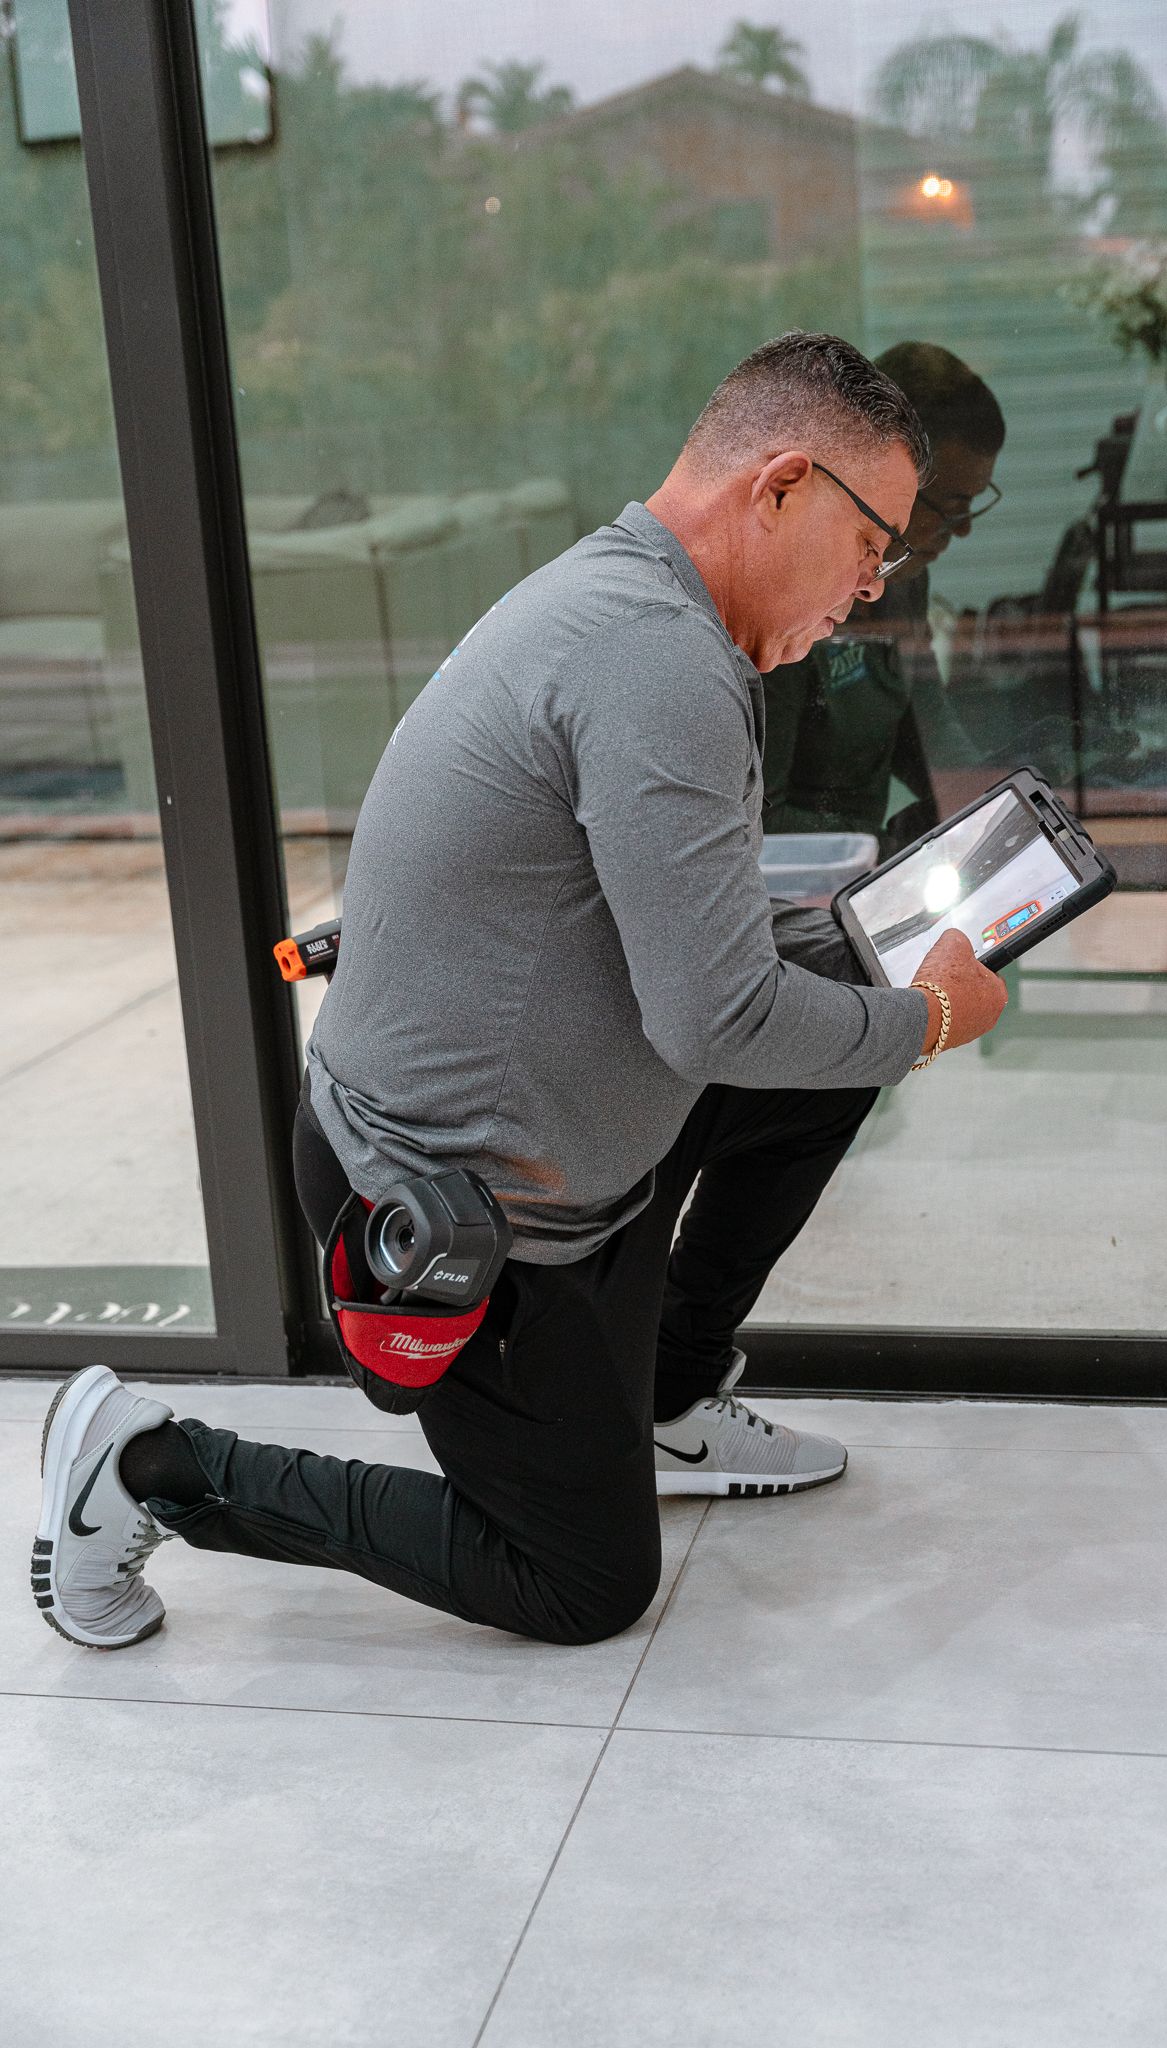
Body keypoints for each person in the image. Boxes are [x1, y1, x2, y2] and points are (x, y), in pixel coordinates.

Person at [31, 333, 1007, 1655]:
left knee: (843, 994)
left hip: (563, 1141)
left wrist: (860, 956)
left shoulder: (627, 598)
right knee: (580, 1583)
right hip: (459, 1210)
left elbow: (662, 922)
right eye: (874, 542)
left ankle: (658, 1392)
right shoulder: (659, 661)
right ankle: (145, 1467)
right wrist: (938, 1018)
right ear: (779, 486)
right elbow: (714, 1022)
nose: (875, 586)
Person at [763, 341, 1007, 855]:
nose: (960, 531)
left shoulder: (905, 578)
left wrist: (999, 802)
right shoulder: (788, 606)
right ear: (891, 488)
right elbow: (762, 821)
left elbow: (928, 728)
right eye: (953, 507)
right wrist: (894, 850)